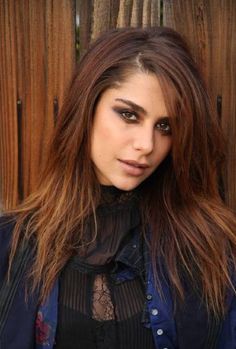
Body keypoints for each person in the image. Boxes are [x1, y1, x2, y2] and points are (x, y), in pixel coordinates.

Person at [0, 26, 236, 349]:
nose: (147, 144)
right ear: (88, 108)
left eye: (165, 126)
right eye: (128, 114)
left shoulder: (209, 249)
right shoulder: (11, 247)